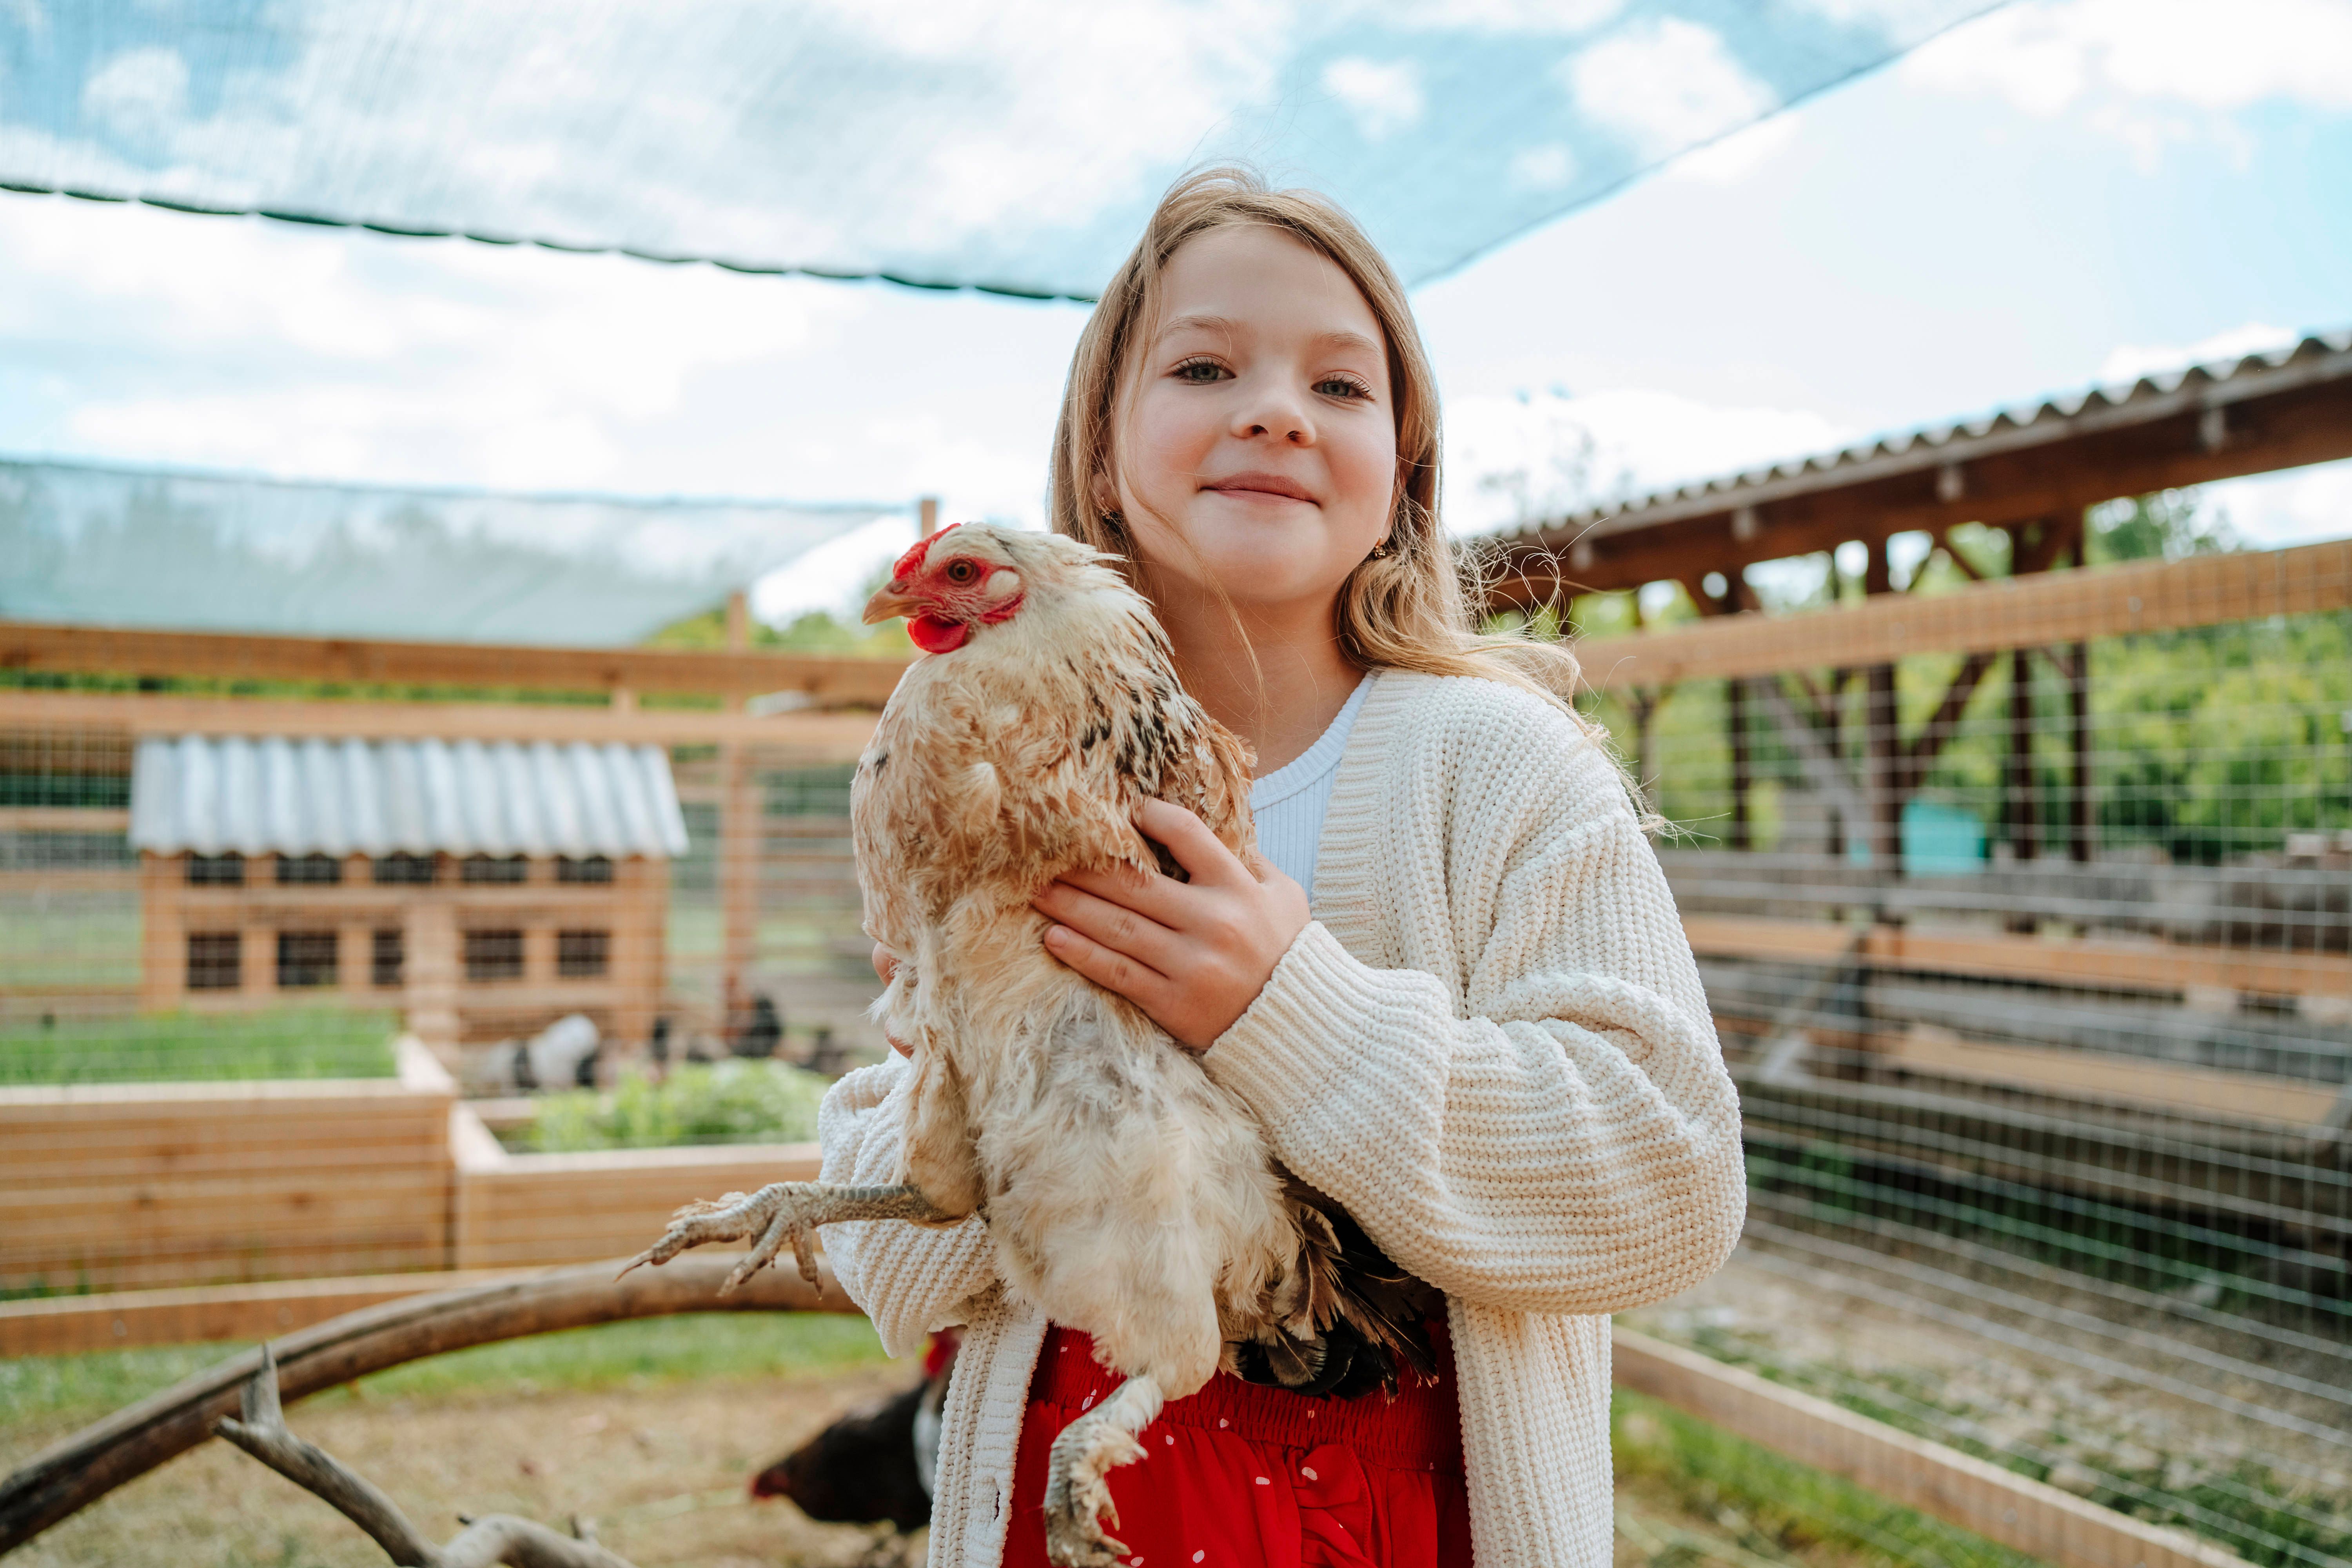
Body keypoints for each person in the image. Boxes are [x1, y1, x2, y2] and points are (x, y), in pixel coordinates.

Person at [819, 165, 1745, 1568]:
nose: (1273, 411)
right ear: (1101, 451)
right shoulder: (994, 804)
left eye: (1340, 386)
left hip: (1400, 1511)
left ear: (1403, 474)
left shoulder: (1497, 767)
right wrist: (964, 1077)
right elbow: (903, 1268)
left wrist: (1282, 1010)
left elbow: (1671, 1187)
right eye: (1206, 365)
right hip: (1081, 1499)